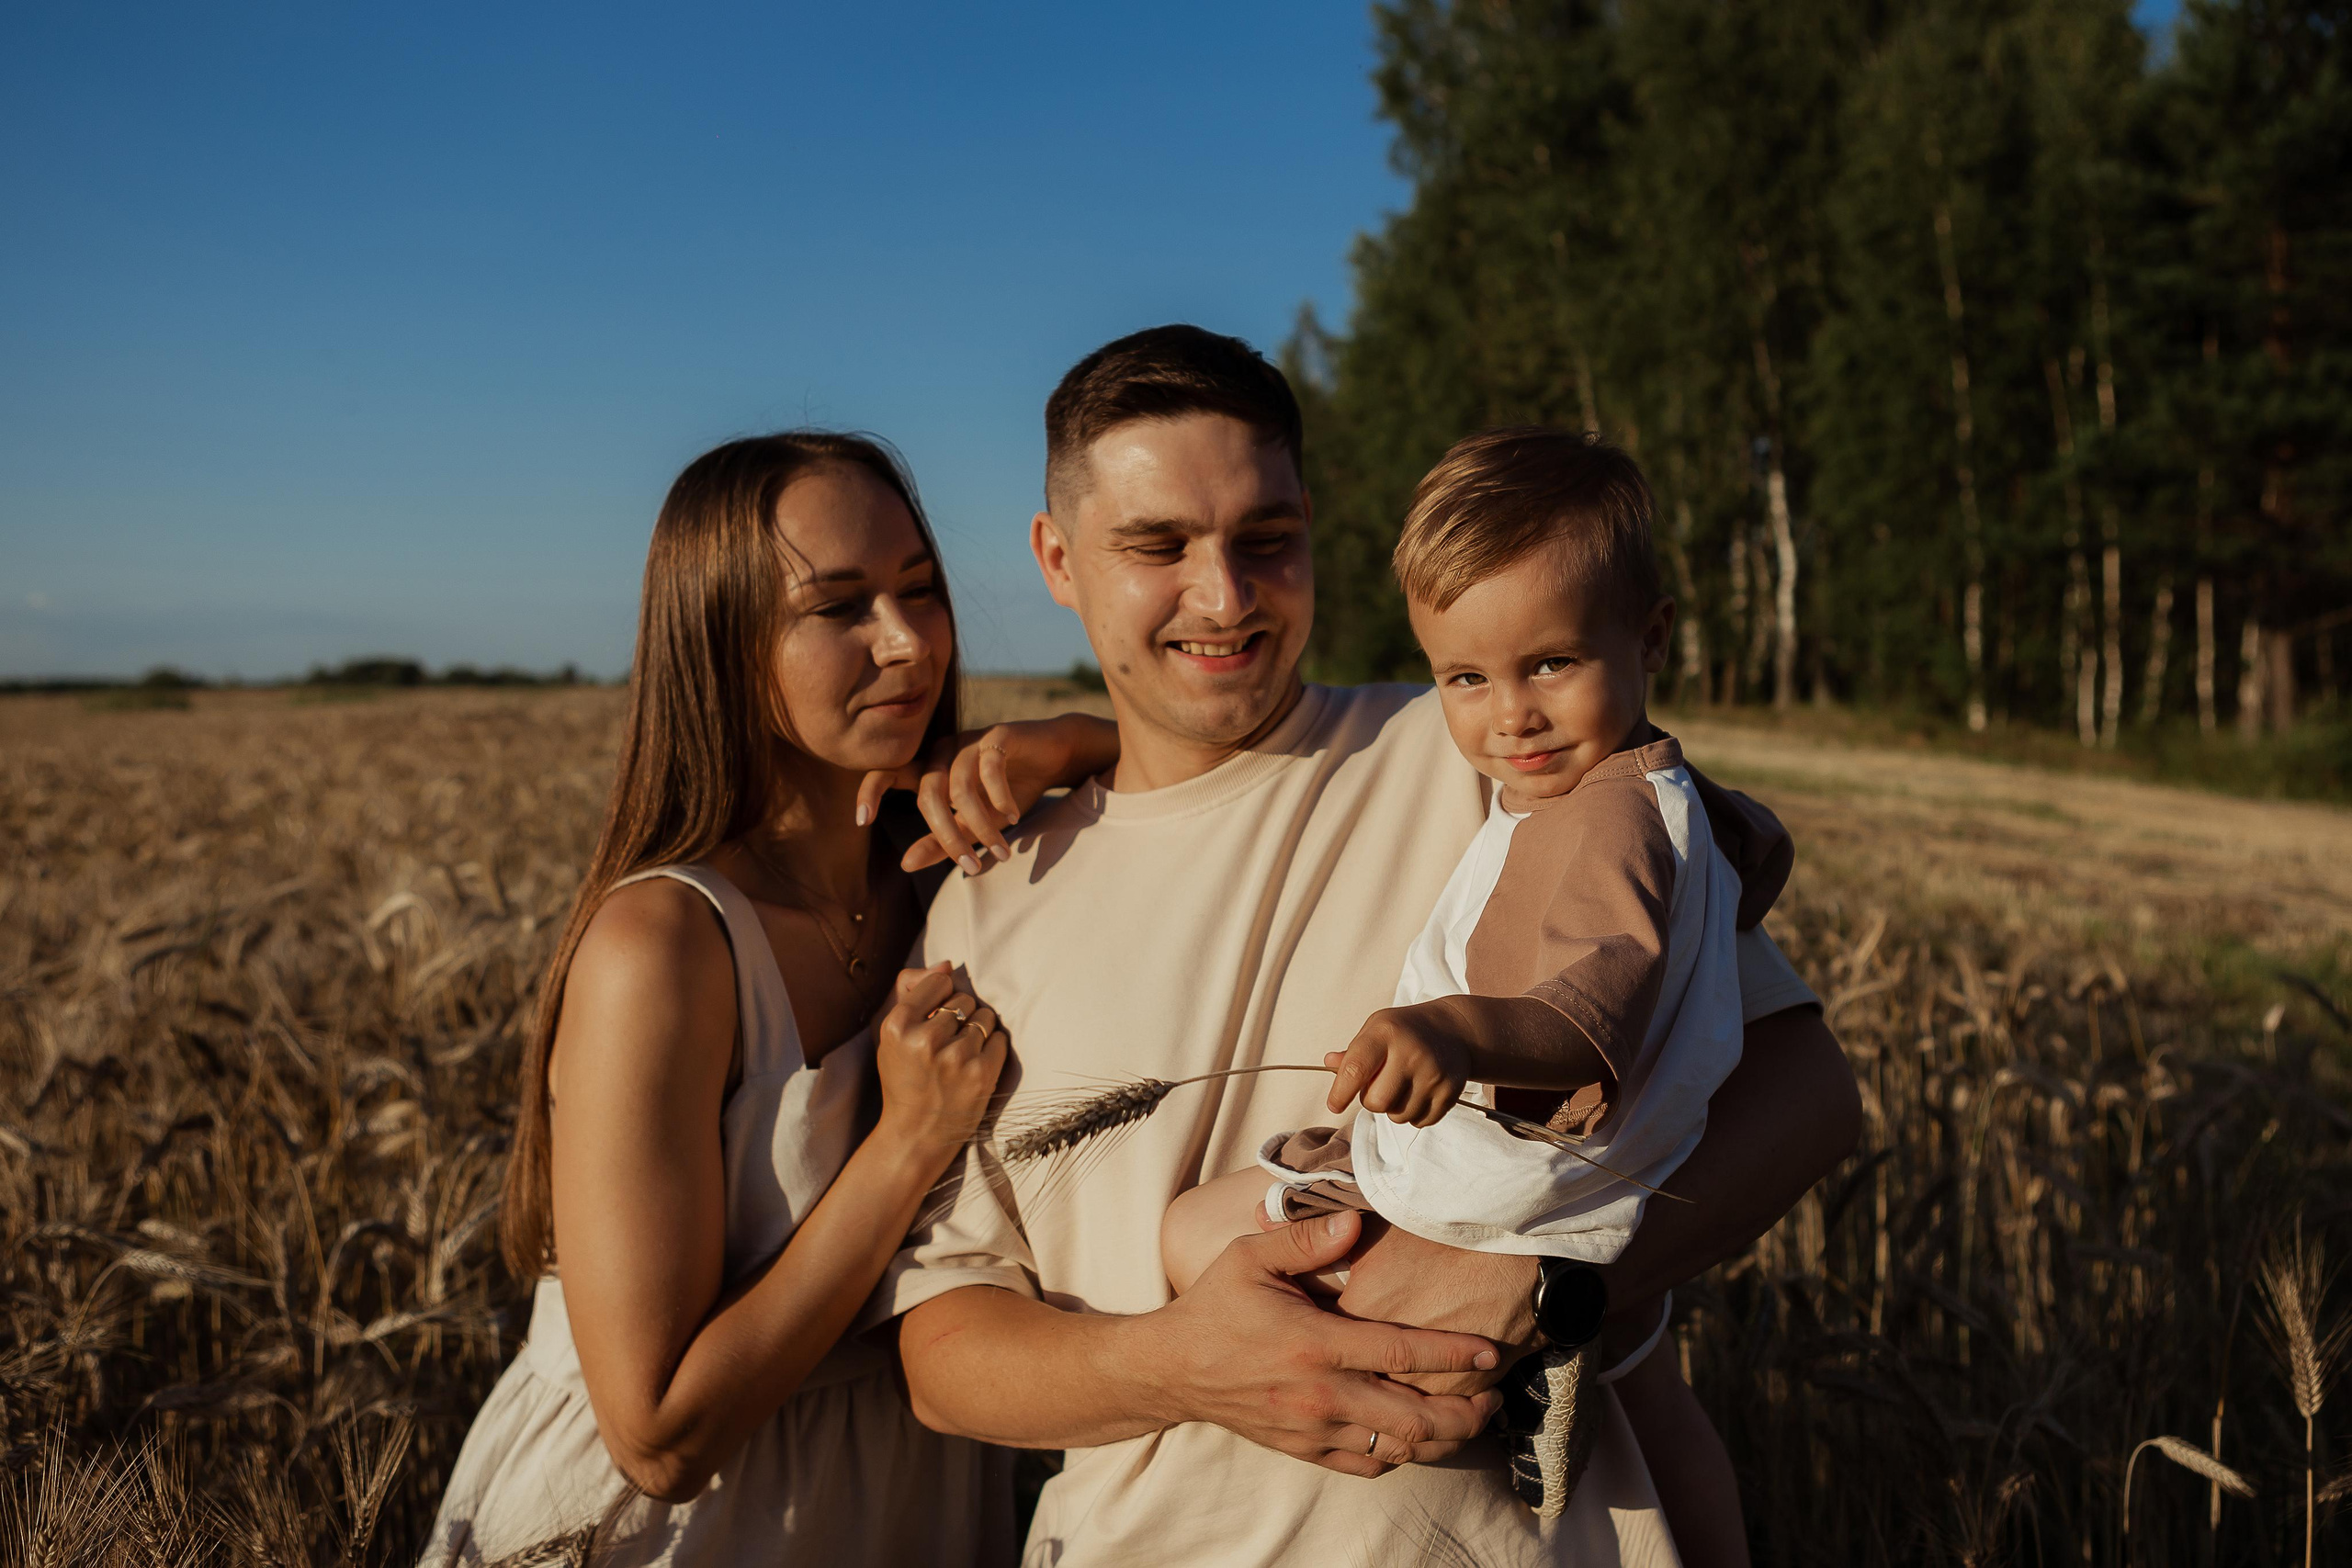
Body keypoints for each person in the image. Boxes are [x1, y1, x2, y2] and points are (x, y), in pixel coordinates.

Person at [883, 326, 1860, 1566]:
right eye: (1157, 545)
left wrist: (1542, 1287)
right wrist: (1182, 1367)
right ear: (1057, 558)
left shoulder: (1496, 753)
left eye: (1267, 538)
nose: (1226, 594)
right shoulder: (983, 895)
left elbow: (1805, 1093)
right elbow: (944, 1348)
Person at [421, 432, 1117, 1566]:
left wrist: (1073, 738)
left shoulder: (962, 871)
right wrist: (907, 1142)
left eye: (921, 591)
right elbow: (656, 1436)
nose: (907, 643)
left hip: (912, 1489)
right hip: (666, 1529)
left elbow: (1225, 761)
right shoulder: (664, 946)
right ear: (724, 641)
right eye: (837, 607)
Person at [1162, 426, 1786, 1543]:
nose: (1511, 715)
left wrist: (1450, 1030)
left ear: (1649, 639)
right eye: (1464, 677)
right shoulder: (1667, 795)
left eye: (1549, 663)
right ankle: (1577, 1357)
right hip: (1590, 1183)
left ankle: (1521, 1369)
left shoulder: (1601, 825)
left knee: (1194, 1237)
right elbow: (1755, 849)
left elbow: (1581, 1015)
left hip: (1517, 1167)